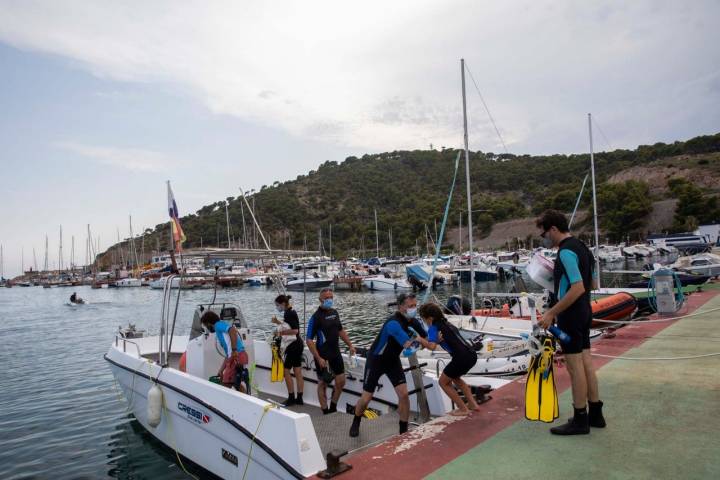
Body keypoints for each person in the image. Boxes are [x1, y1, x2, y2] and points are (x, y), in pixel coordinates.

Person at [536, 209, 605, 435]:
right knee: (586, 364)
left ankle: (579, 419)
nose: (545, 238)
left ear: (553, 229)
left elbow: (577, 287)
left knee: (575, 369)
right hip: (585, 312)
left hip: (571, 316)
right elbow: (592, 284)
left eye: (544, 233)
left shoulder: (565, 253)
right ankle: (596, 414)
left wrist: (551, 313)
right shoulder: (584, 249)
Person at [349, 293, 428, 438]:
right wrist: (422, 342)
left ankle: (403, 430)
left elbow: (426, 339)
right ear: (401, 307)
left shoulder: (413, 321)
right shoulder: (393, 323)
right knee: (366, 399)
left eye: (415, 305)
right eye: (410, 306)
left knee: (404, 395)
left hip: (392, 361)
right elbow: (409, 348)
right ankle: (356, 420)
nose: (413, 308)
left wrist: (425, 341)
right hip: (376, 360)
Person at [417, 303, 480, 416]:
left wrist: (420, 339)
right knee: (455, 378)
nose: (424, 322)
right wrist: (435, 341)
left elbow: (431, 346)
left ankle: (463, 409)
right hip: (471, 354)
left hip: (460, 358)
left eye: (424, 319)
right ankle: (472, 404)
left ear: (430, 318)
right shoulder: (447, 323)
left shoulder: (433, 328)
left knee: (443, 382)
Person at [306, 288, 356, 414]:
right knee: (323, 383)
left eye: (331, 297)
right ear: (320, 300)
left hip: (335, 352)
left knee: (341, 381)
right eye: (327, 298)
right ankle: (325, 410)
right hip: (323, 355)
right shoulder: (315, 317)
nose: (329, 300)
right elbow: (309, 340)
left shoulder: (334, 312)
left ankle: (333, 406)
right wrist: (318, 358)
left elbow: (340, 330)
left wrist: (350, 345)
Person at [200, 310, 247, 393]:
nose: (207, 328)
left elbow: (232, 330)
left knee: (225, 384)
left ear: (209, 323)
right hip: (239, 355)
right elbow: (228, 354)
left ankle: (221, 403)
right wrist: (221, 370)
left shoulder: (218, 325)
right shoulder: (220, 329)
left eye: (206, 325)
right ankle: (248, 400)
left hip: (237, 356)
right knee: (236, 383)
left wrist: (234, 350)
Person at [272, 294, 304, 406]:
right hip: (298, 344)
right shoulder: (291, 311)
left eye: (277, 305)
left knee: (286, 371)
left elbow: (295, 330)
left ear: (283, 304)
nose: (277, 307)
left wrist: (280, 333)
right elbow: (289, 326)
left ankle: (291, 397)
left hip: (293, 345)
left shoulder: (289, 313)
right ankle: (299, 398)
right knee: (297, 371)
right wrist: (278, 322)